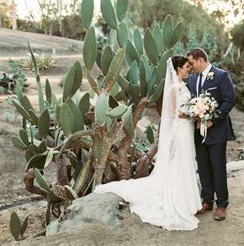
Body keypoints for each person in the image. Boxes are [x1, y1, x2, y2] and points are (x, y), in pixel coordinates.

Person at [94, 55, 202, 231]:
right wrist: (194, 113)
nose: (188, 69)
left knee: (186, 161)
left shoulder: (183, 86)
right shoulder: (173, 88)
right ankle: (179, 199)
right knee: (177, 162)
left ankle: (189, 200)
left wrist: (195, 110)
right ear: (177, 69)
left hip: (186, 130)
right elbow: (175, 113)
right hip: (179, 130)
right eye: (185, 67)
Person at [186, 48, 236, 221]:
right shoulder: (192, 79)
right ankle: (206, 200)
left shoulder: (221, 76)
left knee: (217, 167)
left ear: (200, 60)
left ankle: (222, 204)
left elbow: (229, 100)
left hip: (217, 130)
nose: (190, 67)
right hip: (198, 131)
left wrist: (212, 120)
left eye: (191, 63)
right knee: (203, 166)